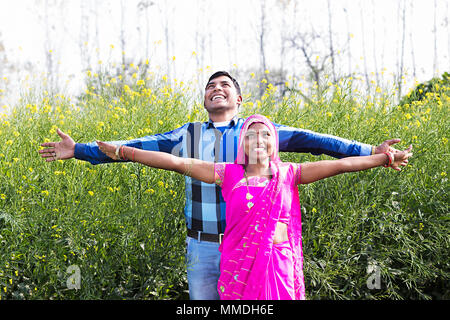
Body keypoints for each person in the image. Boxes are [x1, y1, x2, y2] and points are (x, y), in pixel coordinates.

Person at [39, 71, 405, 300]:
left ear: (238, 99)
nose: (217, 89)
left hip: (263, 252)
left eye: (225, 85)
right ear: (204, 99)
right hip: (203, 246)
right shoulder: (188, 135)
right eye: (211, 86)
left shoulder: (262, 132)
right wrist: (81, 151)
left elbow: (324, 147)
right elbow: (141, 150)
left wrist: (373, 152)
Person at [95, 114, 413, 300]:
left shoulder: (291, 173)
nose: (258, 139)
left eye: (265, 135)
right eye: (251, 135)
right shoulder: (227, 173)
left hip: (280, 270)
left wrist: (383, 158)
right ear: (242, 144)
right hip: (239, 269)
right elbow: (177, 162)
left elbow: (342, 165)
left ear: (275, 142)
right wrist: (125, 151)